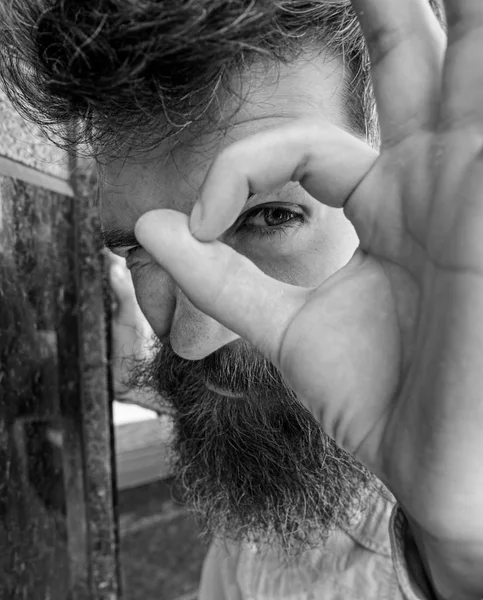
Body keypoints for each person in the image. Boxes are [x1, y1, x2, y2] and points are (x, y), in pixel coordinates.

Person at [2, 1, 483, 599]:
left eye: (270, 215)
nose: (189, 337)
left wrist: (462, 558)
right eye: (138, 248)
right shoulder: (270, 493)